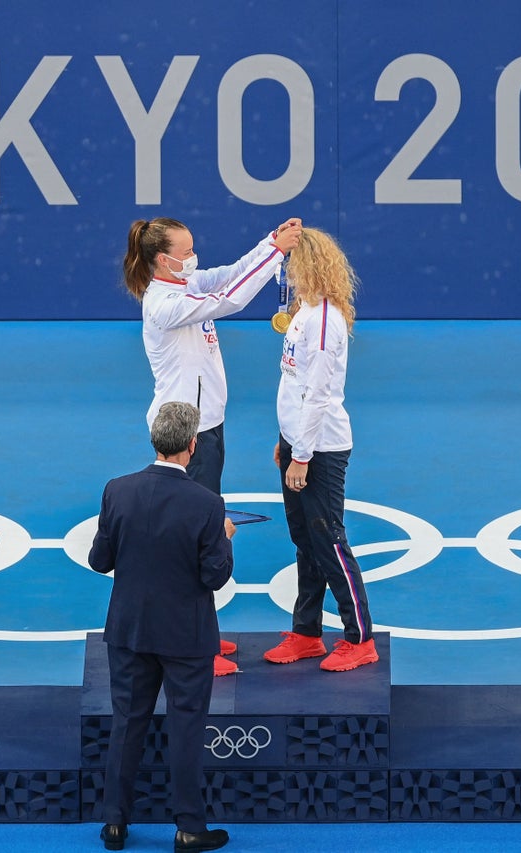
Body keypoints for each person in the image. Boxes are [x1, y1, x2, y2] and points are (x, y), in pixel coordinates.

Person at [122, 215, 302, 678]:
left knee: (203, 532)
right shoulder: (165, 303)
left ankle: (200, 628)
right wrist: (277, 254)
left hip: (207, 427)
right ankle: (192, 643)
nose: (193, 257)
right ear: (163, 260)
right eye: (187, 251)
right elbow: (233, 296)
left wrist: (267, 243)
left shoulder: (184, 282)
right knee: (195, 539)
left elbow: (227, 274)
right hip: (187, 435)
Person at [89, 401, 234, 853]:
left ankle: (114, 823)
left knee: (127, 724)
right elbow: (214, 576)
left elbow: (99, 560)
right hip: (186, 637)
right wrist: (225, 538)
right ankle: (189, 827)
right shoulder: (208, 505)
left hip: (129, 631)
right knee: (187, 727)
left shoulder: (118, 491)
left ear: (155, 440)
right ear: (192, 445)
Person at [261, 228, 378, 673]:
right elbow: (292, 385)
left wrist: (303, 455)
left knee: (329, 540)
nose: (287, 272)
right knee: (305, 541)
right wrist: (286, 439)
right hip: (300, 442)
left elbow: (320, 393)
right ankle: (308, 633)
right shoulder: (304, 312)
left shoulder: (325, 320)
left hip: (321, 450)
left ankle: (359, 638)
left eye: (291, 263)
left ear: (307, 265)